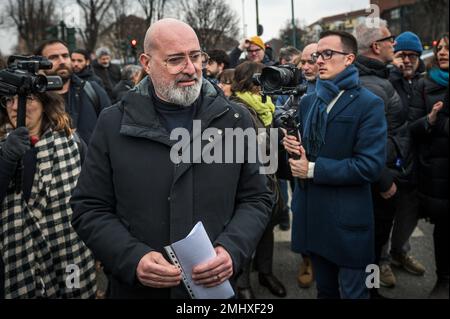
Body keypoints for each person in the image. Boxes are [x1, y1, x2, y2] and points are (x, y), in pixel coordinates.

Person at [70, 18, 272, 299]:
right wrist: (133, 257)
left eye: (195, 56)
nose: (190, 69)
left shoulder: (235, 120)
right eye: (175, 60)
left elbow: (257, 198)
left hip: (212, 292)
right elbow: (89, 208)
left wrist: (232, 249)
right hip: (137, 292)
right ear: (146, 62)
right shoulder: (112, 123)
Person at [283, 30, 387, 299]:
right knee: (325, 291)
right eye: (318, 54)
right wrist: (294, 150)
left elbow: (370, 166)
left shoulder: (369, 104)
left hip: (347, 223)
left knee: (355, 294)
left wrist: (313, 169)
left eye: (328, 54)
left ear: (349, 58)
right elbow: (306, 155)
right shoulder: (309, 102)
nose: (319, 60)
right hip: (314, 219)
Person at [0, 91, 96, 298]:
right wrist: (6, 159)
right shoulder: (3, 147)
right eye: (9, 99)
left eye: (28, 98)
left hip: (70, 256)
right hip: (19, 259)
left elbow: (92, 200)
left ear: (45, 103)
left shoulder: (72, 143)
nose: (16, 106)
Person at [354, 21, 423, 293]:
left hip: (385, 174)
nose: (393, 45)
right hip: (378, 181)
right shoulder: (370, 85)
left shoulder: (381, 77)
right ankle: (368, 291)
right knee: (370, 245)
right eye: (390, 40)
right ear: (376, 46)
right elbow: (365, 140)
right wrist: (384, 179)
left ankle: (370, 290)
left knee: (372, 243)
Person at [230, 61, 286, 299]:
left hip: (269, 179)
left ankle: (266, 273)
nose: (268, 85)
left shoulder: (266, 105)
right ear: (250, 81)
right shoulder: (235, 107)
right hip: (246, 185)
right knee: (246, 233)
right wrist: (276, 137)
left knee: (267, 230)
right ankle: (242, 283)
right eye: (264, 79)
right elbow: (241, 148)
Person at [409, 33, 449, 299]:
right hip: (438, 173)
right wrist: (430, 120)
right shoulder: (424, 84)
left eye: (449, 47)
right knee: (444, 230)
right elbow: (410, 128)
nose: (443, 51)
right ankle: (443, 280)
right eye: (441, 47)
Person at [34, 40, 111, 144]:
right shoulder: (34, 99)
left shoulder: (92, 90)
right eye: (53, 57)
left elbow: (111, 128)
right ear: (40, 64)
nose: (62, 61)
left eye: (65, 56)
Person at [290, 42, 320, 290]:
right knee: (300, 211)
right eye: (304, 62)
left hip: (326, 165)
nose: (308, 66)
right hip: (299, 166)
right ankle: (307, 260)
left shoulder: (334, 90)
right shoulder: (294, 89)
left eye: (313, 60)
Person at [390, 32, 426, 110]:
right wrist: (395, 72)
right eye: (401, 56)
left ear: (418, 58)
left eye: (412, 56)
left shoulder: (427, 80)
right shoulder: (387, 79)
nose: (406, 60)